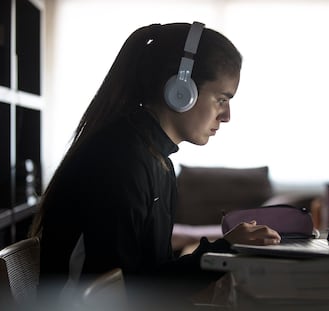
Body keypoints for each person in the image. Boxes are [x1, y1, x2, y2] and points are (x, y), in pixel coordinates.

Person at [29, 21, 280, 308]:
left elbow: (149, 273)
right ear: (181, 90)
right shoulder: (120, 161)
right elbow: (129, 288)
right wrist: (224, 250)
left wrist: (223, 253)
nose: (227, 115)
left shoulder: (154, 158)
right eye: (221, 99)